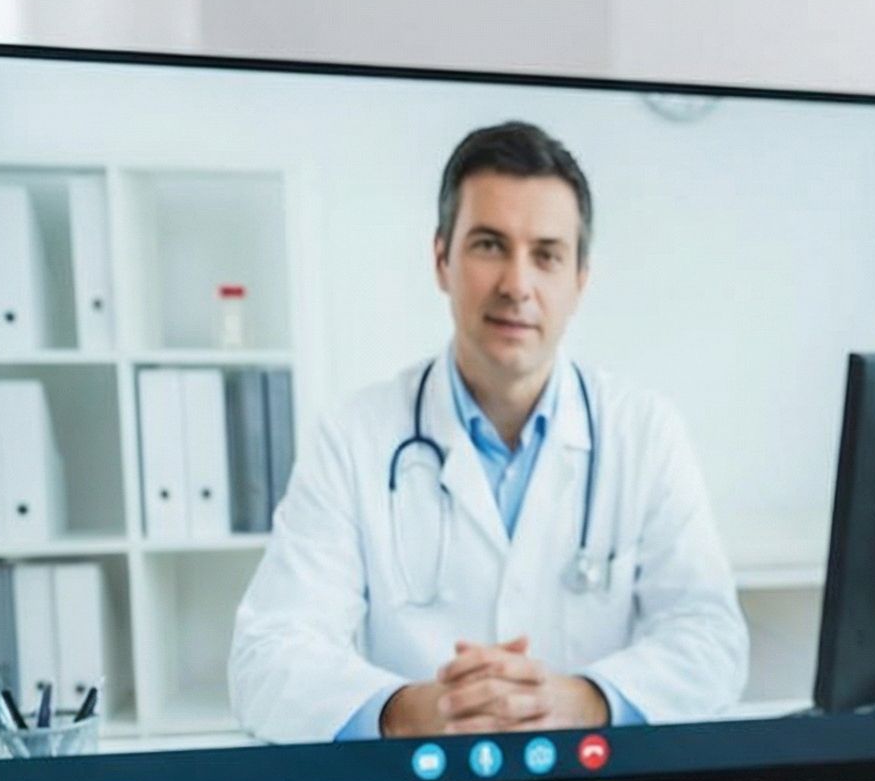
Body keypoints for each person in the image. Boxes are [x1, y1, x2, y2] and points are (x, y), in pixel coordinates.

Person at [228, 121, 748, 743]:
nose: (516, 285)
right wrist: (410, 711)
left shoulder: (643, 432)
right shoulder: (354, 437)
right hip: (420, 780)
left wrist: (583, 701)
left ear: (579, 280)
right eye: (489, 245)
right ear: (441, 260)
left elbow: (711, 640)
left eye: (546, 255)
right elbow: (269, 655)